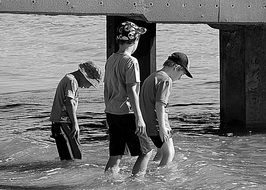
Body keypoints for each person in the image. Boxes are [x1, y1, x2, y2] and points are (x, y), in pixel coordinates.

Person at [104, 21, 153, 176]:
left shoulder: (111, 59)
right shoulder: (131, 61)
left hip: (112, 112)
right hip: (127, 113)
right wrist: (139, 117)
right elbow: (132, 91)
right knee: (146, 152)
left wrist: (107, 110)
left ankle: (108, 184)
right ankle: (137, 183)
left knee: (115, 155)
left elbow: (106, 89)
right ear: (135, 40)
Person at [140, 52, 193, 167]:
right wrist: (163, 128)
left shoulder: (152, 76)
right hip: (158, 124)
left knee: (160, 152)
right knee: (169, 153)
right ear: (176, 67)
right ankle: (160, 180)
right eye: (181, 74)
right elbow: (160, 105)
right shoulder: (166, 80)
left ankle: (151, 172)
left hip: (148, 124)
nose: (179, 78)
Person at [50, 61, 102, 160]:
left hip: (59, 122)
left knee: (67, 157)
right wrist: (75, 123)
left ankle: (64, 174)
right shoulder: (72, 81)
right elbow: (69, 102)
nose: (88, 86)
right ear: (84, 76)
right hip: (63, 122)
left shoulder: (69, 78)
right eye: (90, 82)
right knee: (75, 156)